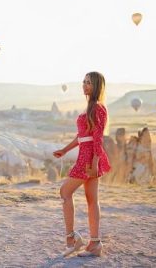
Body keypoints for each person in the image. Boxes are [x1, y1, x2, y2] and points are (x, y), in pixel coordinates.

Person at [52, 71, 111, 257]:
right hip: (86, 156)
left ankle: (72, 239)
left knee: (65, 192)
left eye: (89, 83)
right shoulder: (90, 107)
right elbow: (81, 137)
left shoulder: (98, 108)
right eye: (84, 82)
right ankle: (95, 244)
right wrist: (65, 150)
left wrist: (94, 163)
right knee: (92, 200)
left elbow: (98, 138)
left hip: (89, 158)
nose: (84, 85)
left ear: (97, 86)